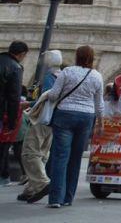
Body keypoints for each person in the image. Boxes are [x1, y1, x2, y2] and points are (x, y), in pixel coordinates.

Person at [45, 45, 103, 208]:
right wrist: (101, 122)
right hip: (86, 117)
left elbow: (54, 94)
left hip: (65, 115)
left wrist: (47, 95)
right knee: (76, 158)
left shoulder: (67, 71)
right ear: (92, 58)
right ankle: (68, 198)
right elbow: (99, 103)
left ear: (77, 56)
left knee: (60, 157)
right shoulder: (96, 76)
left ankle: (56, 198)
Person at [18, 49, 63, 202]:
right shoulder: (62, 76)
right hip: (53, 121)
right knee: (42, 154)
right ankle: (31, 189)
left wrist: (28, 104)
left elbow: (47, 98)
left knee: (29, 153)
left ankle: (42, 183)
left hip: (42, 119)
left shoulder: (50, 77)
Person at [0, 40, 28, 187]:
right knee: (2, 146)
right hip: (2, 111)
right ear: (22, 54)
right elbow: (13, 97)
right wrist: (12, 121)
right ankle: (2, 178)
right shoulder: (16, 67)